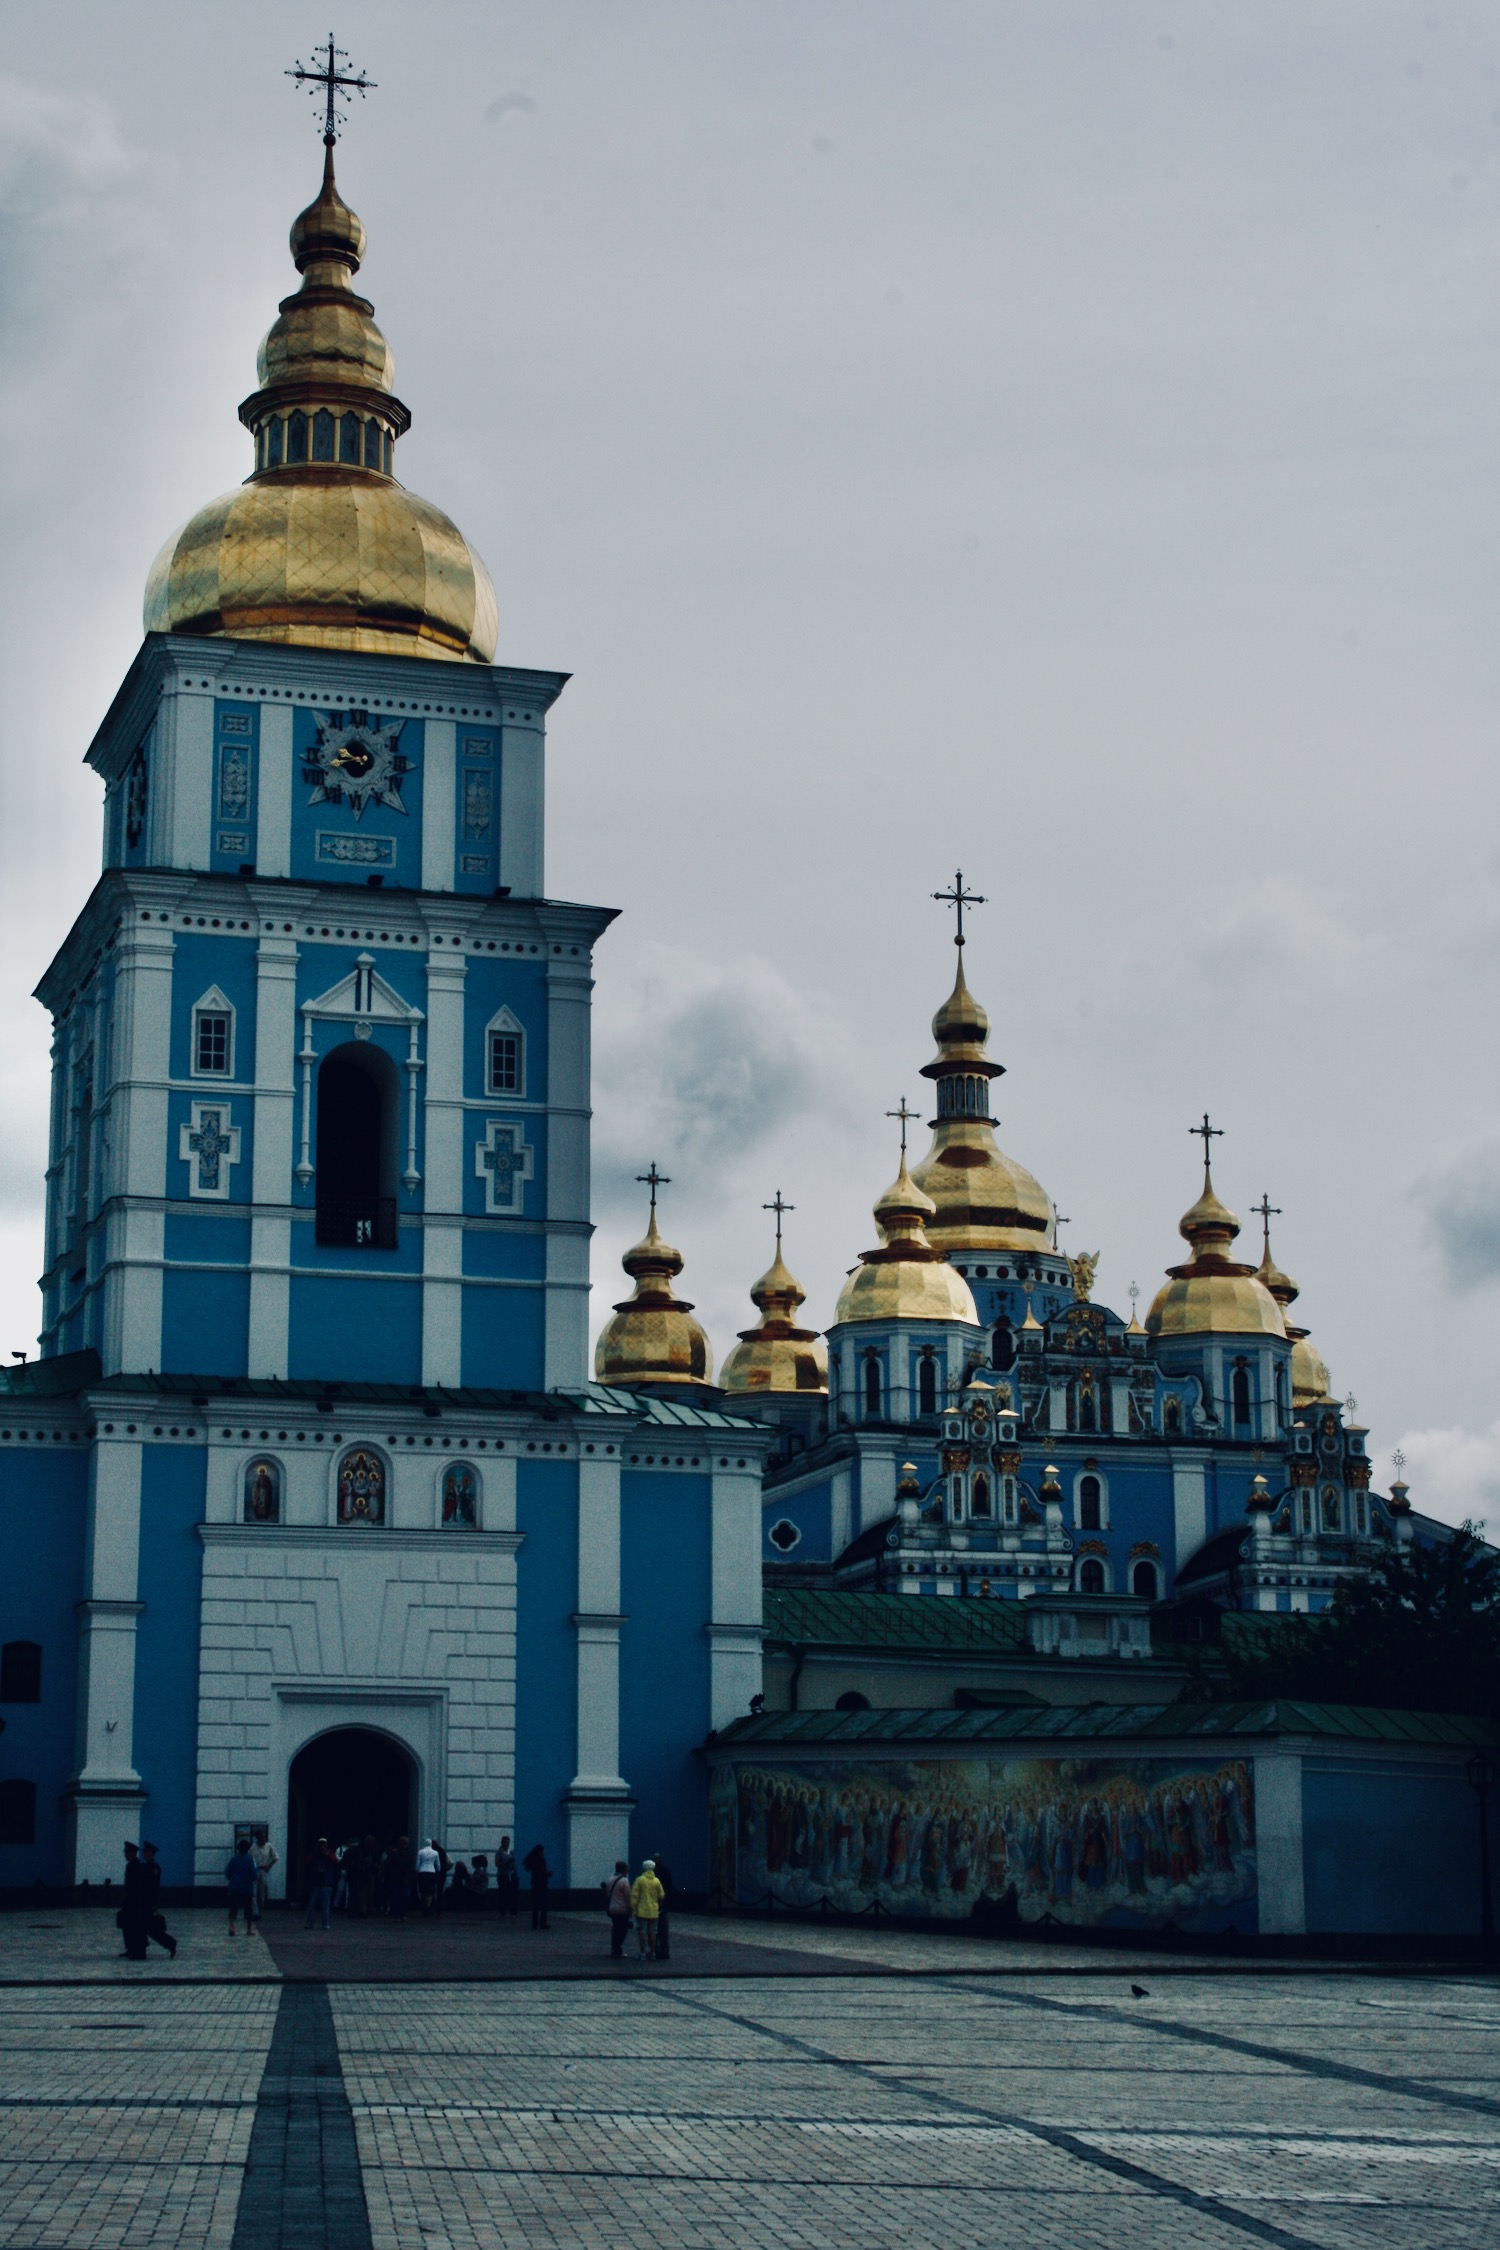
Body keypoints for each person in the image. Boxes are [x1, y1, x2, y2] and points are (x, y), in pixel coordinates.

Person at [117, 1841, 151, 1960]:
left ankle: (139, 1951)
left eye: (127, 1852)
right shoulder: (130, 1865)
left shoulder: (138, 1866)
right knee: (128, 1926)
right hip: (130, 1901)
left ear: (132, 1853)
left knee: (137, 1926)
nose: (125, 1855)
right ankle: (131, 1949)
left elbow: (139, 1886)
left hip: (136, 1901)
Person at [630, 1858, 664, 1960]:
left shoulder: (639, 1880)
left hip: (642, 1910)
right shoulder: (656, 1881)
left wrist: (633, 1909)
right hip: (654, 1910)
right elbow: (661, 1895)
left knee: (642, 1932)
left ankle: (642, 1953)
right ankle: (652, 1953)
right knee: (653, 1932)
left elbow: (634, 1896)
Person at [225, 1837, 258, 1935]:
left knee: (233, 1908)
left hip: (234, 1888)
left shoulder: (234, 1859)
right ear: (248, 1848)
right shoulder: (250, 1859)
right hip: (247, 1888)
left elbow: (227, 1872)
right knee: (248, 1908)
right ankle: (249, 1929)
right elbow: (253, 1874)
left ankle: (231, 1927)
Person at [304, 1837, 336, 1929]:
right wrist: (315, 1852)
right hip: (317, 1882)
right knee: (313, 1904)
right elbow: (307, 1861)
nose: (322, 1846)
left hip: (325, 1882)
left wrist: (327, 1854)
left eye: (324, 1844)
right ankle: (312, 1923)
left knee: (324, 1904)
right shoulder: (314, 1853)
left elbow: (335, 1861)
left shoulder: (329, 1853)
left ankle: (324, 1923)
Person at [605, 1860, 632, 1958]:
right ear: (624, 1870)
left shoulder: (610, 1879)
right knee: (623, 1930)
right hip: (622, 1909)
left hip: (612, 1908)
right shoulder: (624, 1881)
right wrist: (630, 1908)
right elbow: (627, 1896)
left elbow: (608, 1894)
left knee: (616, 1929)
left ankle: (615, 1948)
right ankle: (618, 1949)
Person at [522, 1842, 551, 1929]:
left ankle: (535, 1924)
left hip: (535, 1884)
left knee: (536, 1905)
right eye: (543, 1851)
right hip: (542, 1884)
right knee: (544, 1905)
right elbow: (542, 1873)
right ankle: (542, 1924)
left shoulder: (533, 1861)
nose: (544, 1852)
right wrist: (548, 1874)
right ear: (540, 1852)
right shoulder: (541, 1861)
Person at [652, 1854, 674, 1963]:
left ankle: (657, 1949)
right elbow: (668, 1889)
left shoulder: (651, 1875)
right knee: (662, 1929)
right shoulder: (666, 1872)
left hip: (654, 1905)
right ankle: (662, 1950)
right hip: (661, 1905)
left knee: (655, 1929)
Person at [387, 1835, 414, 1921]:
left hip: (404, 1879)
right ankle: (397, 1914)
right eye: (403, 1843)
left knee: (404, 1897)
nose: (404, 1845)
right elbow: (389, 1865)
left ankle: (403, 1913)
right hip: (396, 1878)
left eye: (405, 1844)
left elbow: (410, 1867)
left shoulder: (408, 1854)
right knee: (396, 1897)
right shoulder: (394, 1854)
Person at [253, 1834, 279, 1921]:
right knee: (254, 1892)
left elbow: (275, 1857)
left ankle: (260, 1910)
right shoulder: (253, 1848)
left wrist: (269, 1866)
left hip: (263, 1870)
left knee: (261, 1893)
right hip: (255, 1870)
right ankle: (255, 1913)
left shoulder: (269, 1846)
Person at [415, 1838, 441, 1915]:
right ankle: (428, 1905)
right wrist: (438, 1873)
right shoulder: (435, 1853)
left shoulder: (420, 1852)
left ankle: (424, 1905)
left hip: (422, 1872)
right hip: (431, 1872)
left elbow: (417, 1864)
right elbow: (438, 1865)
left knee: (423, 1891)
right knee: (430, 1891)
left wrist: (416, 1872)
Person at [495, 1837, 519, 1917]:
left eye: (508, 1842)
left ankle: (512, 1911)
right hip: (502, 1875)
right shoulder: (499, 1853)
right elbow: (497, 1863)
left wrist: (515, 1874)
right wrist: (506, 1862)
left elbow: (513, 1865)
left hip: (511, 1875)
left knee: (512, 1893)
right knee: (503, 1893)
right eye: (505, 1842)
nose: (507, 1844)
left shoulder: (511, 1852)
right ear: (502, 1843)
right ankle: (502, 1910)